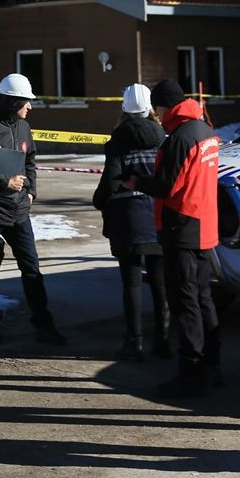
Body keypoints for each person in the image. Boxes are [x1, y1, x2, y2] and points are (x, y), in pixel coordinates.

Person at [123, 78, 220, 397]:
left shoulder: (180, 137)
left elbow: (167, 186)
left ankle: (191, 371)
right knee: (204, 298)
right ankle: (212, 362)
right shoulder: (205, 130)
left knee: (185, 301)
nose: (156, 114)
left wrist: (136, 181)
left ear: (165, 106)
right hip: (205, 224)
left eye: (158, 107)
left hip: (182, 228)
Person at [0, 73, 65, 347]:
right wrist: (4, 181)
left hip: (19, 211)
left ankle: (44, 324)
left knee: (31, 268)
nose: (30, 107)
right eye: (26, 102)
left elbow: (30, 159)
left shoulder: (23, 128)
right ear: (12, 102)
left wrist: (31, 189)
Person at [93, 83, 169, 362]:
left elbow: (111, 180)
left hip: (127, 221)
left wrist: (100, 201)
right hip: (157, 219)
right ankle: (163, 341)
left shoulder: (118, 141)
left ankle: (134, 342)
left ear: (124, 109)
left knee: (132, 284)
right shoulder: (164, 137)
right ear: (151, 108)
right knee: (161, 285)